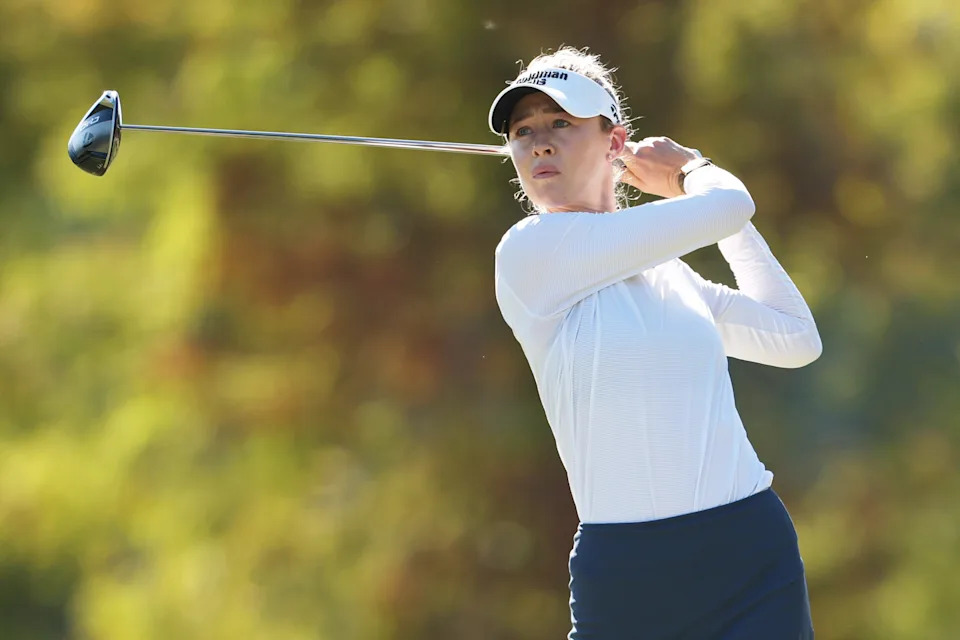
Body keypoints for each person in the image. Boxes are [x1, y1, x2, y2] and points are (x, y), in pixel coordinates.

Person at [489, 47, 821, 639]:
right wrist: (691, 170)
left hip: (749, 552)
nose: (539, 142)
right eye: (523, 131)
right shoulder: (529, 252)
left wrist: (713, 207)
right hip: (627, 576)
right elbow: (731, 203)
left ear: (614, 142)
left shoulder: (671, 274)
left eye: (561, 122)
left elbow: (795, 337)